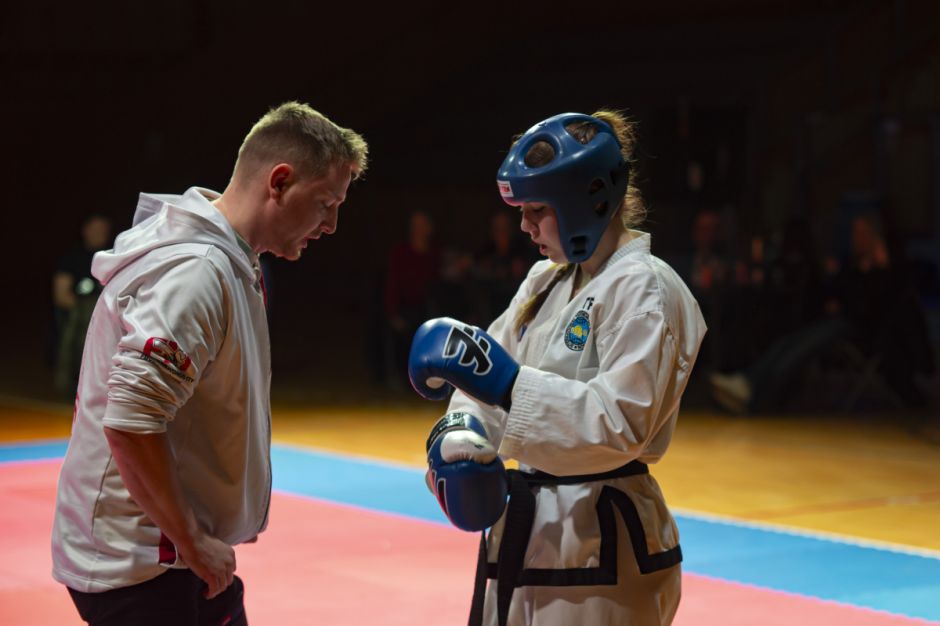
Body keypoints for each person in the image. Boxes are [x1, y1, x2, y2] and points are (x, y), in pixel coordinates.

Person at [51, 102, 367, 626]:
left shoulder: (228, 259)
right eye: (325, 203)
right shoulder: (197, 272)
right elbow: (130, 422)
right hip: (142, 565)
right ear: (279, 182)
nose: (331, 225)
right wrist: (192, 541)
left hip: (171, 553)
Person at [408, 111, 707, 625]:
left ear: (587, 199)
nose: (524, 226)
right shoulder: (545, 280)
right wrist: (461, 438)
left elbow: (622, 424)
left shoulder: (645, 287)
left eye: (537, 210)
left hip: (602, 541)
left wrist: (510, 385)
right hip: (529, 531)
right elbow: (481, 377)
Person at [52, 213, 113, 399]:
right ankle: (72, 385)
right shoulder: (72, 258)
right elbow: (61, 295)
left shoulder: (113, 256)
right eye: (95, 228)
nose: (99, 233)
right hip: (81, 316)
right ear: (84, 230)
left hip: (109, 315)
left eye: (103, 229)